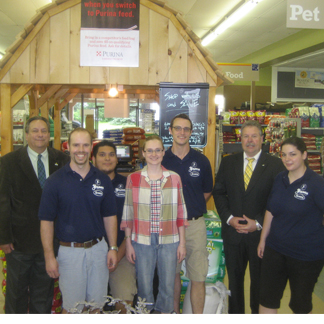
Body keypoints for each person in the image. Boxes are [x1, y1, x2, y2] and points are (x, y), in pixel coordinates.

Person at [38, 128, 118, 313]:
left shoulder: (102, 180)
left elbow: (109, 216)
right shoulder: (55, 181)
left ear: (91, 147)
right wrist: (49, 256)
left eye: (85, 145)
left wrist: (112, 247)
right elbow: (46, 221)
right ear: (68, 147)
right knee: (72, 309)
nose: (80, 149)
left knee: (96, 307)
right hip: (69, 252)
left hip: (98, 250)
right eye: (76, 145)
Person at [213, 120, 285, 314]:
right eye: (246, 136)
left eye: (254, 136)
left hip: (260, 238)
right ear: (240, 139)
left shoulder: (275, 165)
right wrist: (228, 218)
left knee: (259, 284)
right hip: (233, 235)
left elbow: (278, 200)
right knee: (234, 283)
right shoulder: (228, 162)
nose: (250, 140)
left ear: (262, 139)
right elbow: (219, 193)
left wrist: (259, 223)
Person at [0, 116, 70, 314]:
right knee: (16, 294)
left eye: (44, 131)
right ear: (27, 134)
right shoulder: (9, 162)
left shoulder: (62, 160)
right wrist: (3, 237)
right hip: (19, 243)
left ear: (49, 134)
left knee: (44, 294)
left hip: (52, 241)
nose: (40, 135)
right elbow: (2, 201)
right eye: (35, 131)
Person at [121, 135, 188, 314]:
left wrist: (182, 243)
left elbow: (181, 213)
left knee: (167, 286)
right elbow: (128, 213)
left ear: (163, 152)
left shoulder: (174, 178)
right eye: (149, 150)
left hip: (169, 239)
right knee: (144, 286)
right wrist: (128, 243)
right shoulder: (133, 179)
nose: (154, 154)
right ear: (143, 153)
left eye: (158, 150)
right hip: (141, 240)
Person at [258, 136, 324, 314]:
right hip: (275, 249)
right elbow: (271, 210)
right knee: (267, 298)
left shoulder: (316, 183)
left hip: (305, 256)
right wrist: (263, 239)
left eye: (293, 154)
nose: (287, 159)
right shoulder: (280, 178)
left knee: (300, 304)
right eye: (284, 154)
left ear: (304, 154)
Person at [162, 113, 213, 314]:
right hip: (169, 227)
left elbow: (207, 191)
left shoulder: (201, 160)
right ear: (170, 131)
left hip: (195, 225)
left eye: (186, 129)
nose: (182, 132)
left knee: (198, 276)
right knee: (172, 276)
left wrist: (192, 206)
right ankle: (175, 314)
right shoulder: (162, 159)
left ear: (191, 132)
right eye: (178, 128)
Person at [92, 140, 137, 313]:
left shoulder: (127, 185)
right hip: (92, 254)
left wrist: (119, 254)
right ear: (93, 159)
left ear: (117, 160)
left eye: (111, 155)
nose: (107, 159)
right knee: (91, 304)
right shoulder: (86, 184)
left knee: (125, 302)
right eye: (102, 155)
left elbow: (134, 224)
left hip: (122, 252)